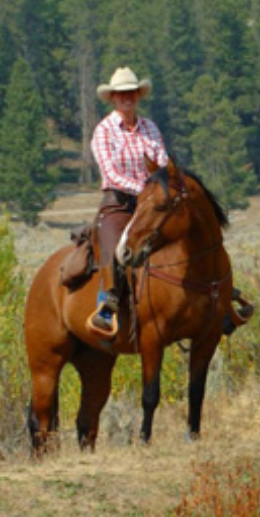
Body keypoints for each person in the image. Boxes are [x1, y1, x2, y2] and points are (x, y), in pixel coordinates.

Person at [88, 66, 168, 337]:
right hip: (118, 203)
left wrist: (157, 191)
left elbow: (162, 164)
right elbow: (110, 173)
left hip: (150, 203)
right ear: (112, 98)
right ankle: (107, 304)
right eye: (121, 94)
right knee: (114, 247)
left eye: (131, 92)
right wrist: (144, 190)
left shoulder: (150, 128)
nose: (127, 98)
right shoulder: (104, 131)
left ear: (138, 95)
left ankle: (216, 296)